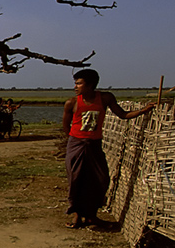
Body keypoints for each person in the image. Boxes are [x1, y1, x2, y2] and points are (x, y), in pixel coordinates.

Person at [62, 69, 155, 229]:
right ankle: (77, 217)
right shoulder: (72, 103)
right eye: (75, 83)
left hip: (95, 145)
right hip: (76, 144)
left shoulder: (105, 98)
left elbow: (123, 115)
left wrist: (142, 111)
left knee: (100, 179)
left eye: (79, 83)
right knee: (77, 179)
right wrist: (76, 140)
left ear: (90, 85)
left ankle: (91, 216)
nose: (75, 87)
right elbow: (65, 126)